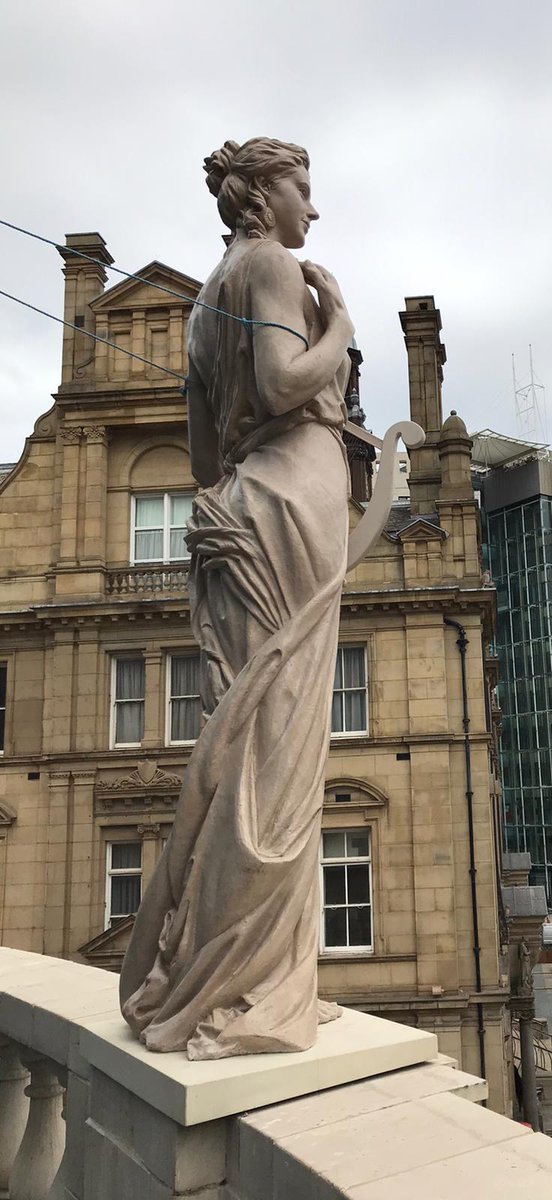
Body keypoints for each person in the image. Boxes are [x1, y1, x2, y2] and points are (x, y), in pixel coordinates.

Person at [119, 138, 355, 1059]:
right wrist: (338, 321)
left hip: (245, 505)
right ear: (262, 193)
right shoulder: (270, 264)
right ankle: (250, 989)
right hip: (291, 498)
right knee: (280, 750)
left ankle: (248, 970)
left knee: (250, 740)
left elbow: (205, 458)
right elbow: (282, 383)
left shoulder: (204, 299)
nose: (314, 208)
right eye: (303, 187)